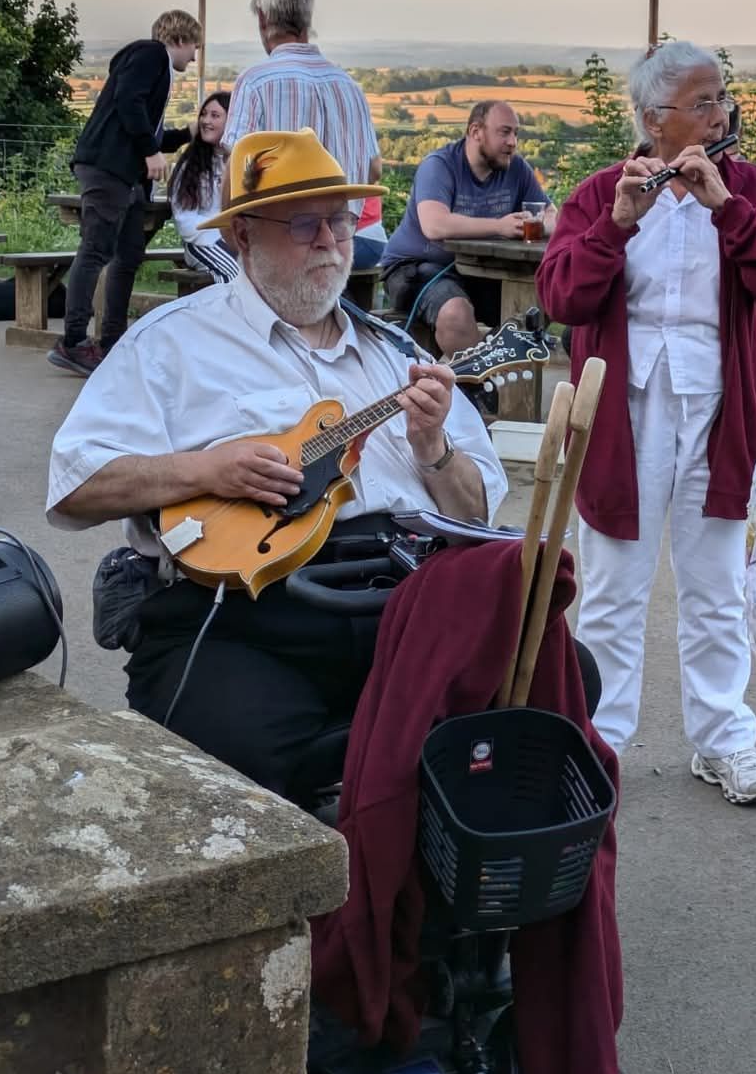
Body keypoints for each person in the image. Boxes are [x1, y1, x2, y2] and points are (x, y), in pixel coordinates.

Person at [46, 128, 506, 803]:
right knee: (251, 752)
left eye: (340, 220)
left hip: (401, 605)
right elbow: (74, 483)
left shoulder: (396, 353)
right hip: (240, 615)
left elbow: (479, 512)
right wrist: (206, 470)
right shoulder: (172, 343)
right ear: (240, 237)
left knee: (548, 681)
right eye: (302, 222)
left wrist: (432, 447)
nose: (330, 240)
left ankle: (415, 861)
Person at [536, 40, 756, 807]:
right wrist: (617, 226)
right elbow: (561, 295)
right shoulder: (602, 191)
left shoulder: (753, 185)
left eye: (721, 97)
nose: (721, 112)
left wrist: (727, 208)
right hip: (621, 413)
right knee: (614, 588)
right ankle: (601, 743)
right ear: (653, 119)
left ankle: (725, 739)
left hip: (723, 410)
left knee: (717, 584)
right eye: (703, 102)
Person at [48, 9, 202, 378]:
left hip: (125, 175)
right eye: (195, 47)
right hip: (108, 168)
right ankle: (73, 341)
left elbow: (143, 126)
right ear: (179, 39)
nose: (195, 57)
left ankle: (112, 340)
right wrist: (151, 152)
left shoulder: (150, 64)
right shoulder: (151, 54)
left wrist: (183, 134)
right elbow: (129, 101)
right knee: (95, 250)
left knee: (129, 253)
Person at [222, 0, 386, 267]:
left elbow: (236, 172)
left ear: (262, 18)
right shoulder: (350, 87)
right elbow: (373, 170)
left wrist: (233, 240)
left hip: (280, 245)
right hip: (341, 244)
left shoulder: (255, 82)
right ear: (307, 19)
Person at [380, 101, 556, 358]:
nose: (513, 142)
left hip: (480, 271)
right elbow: (434, 225)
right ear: (476, 132)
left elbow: (553, 216)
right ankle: (480, 388)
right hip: (415, 267)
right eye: (504, 132)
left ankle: (495, 368)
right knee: (455, 314)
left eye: (516, 133)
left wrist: (536, 224)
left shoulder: (517, 169)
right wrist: (500, 226)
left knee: (543, 301)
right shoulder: (439, 165)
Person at [168, 90, 238, 284]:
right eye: (204, 114)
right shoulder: (190, 166)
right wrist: (219, 236)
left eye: (215, 116)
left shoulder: (242, 161)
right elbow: (185, 221)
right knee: (235, 276)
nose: (206, 121)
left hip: (237, 241)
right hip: (201, 241)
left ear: (231, 120)